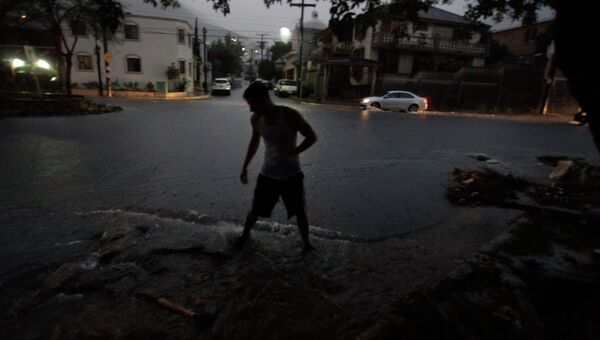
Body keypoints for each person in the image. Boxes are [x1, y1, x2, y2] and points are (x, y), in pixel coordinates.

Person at [235, 82, 317, 252]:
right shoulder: (256, 119)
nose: (251, 109)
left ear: (264, 99)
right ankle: (244, 237)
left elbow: (311, 137)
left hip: (291, 174)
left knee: (300, 211)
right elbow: (254, 142)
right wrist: (244, 167)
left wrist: (293, 152)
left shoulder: (290, 115)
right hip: (268, 173)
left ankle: (307, 244)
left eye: (252, 104)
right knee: (256, 209)